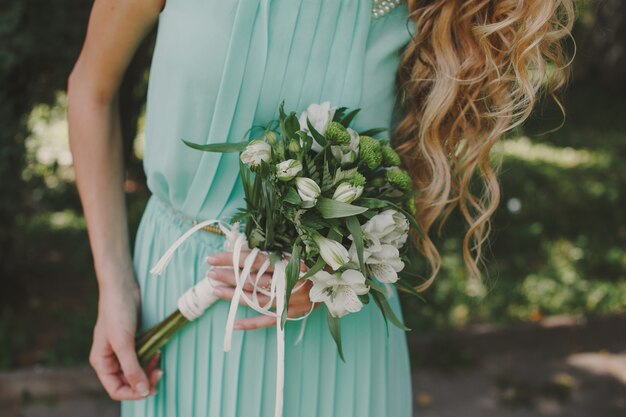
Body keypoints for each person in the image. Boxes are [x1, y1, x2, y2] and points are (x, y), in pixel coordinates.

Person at [67, 0, 575, 416]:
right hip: (178, 290)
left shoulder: (421, 9)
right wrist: (113, 283)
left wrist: (337, 265)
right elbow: (92, 88)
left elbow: (404, 176)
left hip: (334, 329)